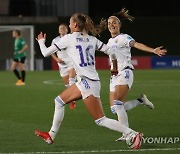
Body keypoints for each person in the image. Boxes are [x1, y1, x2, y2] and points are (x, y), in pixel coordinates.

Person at [35, 13, 143, 149]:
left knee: (100, 120)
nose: (68, 25)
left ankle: (133, 134)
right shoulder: (92, 40)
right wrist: (114, 66)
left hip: (88, 83)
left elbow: (45, 53)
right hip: (87, 82)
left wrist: (40, 42)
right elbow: (112, 52)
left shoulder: (68, 39)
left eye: (70, 23)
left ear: (75, 25)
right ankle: (51, 135)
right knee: (59, 101)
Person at [107, 8, 167, 141]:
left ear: (119, 25)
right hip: (114, 76)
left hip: (125, 72)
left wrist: (153, 50)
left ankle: (127, 134)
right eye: (109, 23)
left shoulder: (123, 37)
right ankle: (140, 100)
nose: (111, 25)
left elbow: (136, 44)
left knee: (117, 104)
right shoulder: (110, 42)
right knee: (114, 109)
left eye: (114, 22)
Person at [51, 23, 76, 109]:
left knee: (71, 81)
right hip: (62, 65)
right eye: (60, 28)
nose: (62, 29)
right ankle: (74, 96)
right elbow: (51, 52)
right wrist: (56, 59)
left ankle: (73, 101)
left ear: (67, 30)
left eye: (63, 28)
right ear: (58, 30)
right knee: (67, 85)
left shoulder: (71, 38)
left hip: (71, 62)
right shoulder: (55, 40)